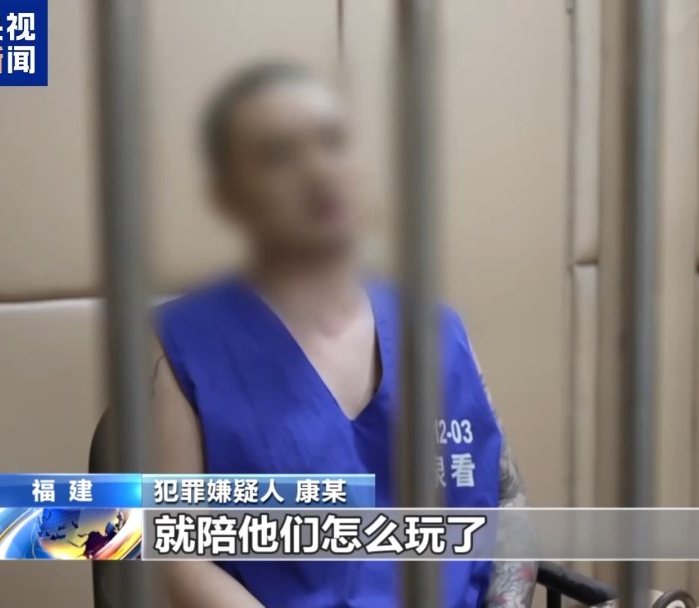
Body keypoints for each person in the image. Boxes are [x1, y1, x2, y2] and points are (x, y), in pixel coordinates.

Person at [151, 61, 537, 608]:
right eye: (279, 155)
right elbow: (177, 560)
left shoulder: (435, 330)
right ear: (229, 197)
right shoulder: (193, 353)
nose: (319, 172)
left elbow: (506, 502)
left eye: (333, 143)